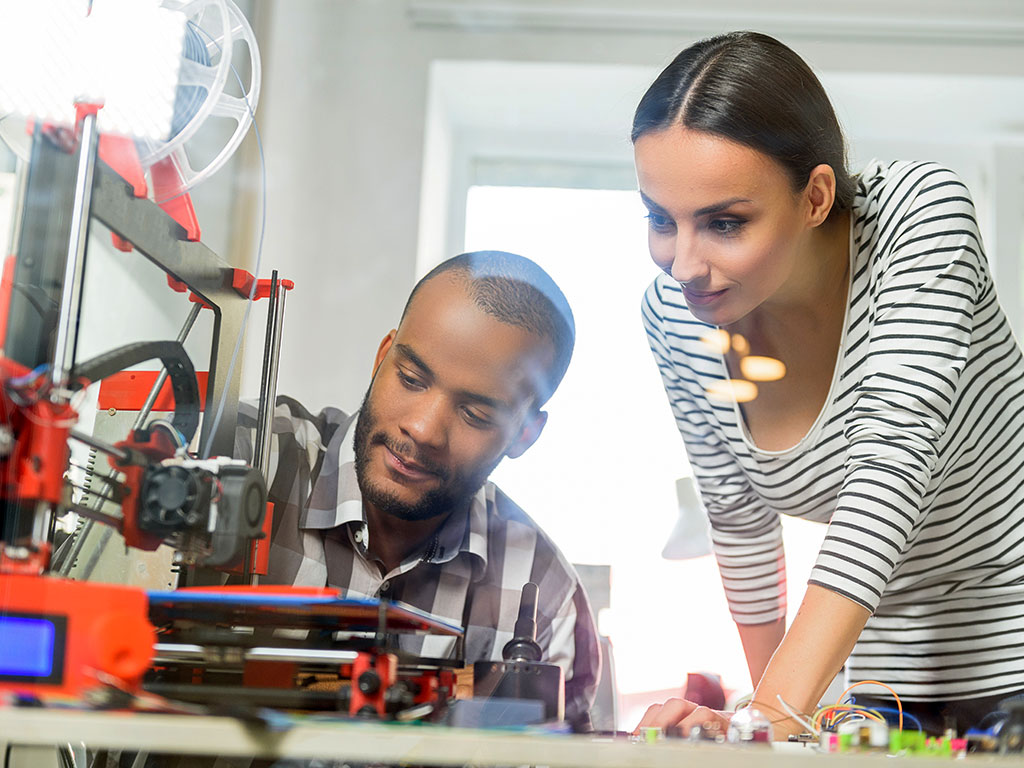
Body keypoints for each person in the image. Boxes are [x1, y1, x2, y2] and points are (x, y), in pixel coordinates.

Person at [633, 31, 1024, 738]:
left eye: (724, 222)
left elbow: (889, 470)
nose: (683, 263)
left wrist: (768, 716)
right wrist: (767, 721)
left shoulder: (919, 216)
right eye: (661, 219)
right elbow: (739, 524)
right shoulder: (675, 317)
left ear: (815, 197)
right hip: (884, 675)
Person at [236, 250, 600, 728]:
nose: (424, 429)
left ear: (525, 434)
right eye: (411, 379)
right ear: (382, 356)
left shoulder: (547, 595)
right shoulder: (242, 458)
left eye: (476, 415)